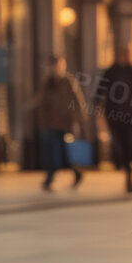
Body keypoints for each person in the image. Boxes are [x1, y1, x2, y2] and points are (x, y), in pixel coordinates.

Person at [95, 45, 132, 194]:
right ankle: (126, 168)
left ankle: (129, 173)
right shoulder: (111, 72)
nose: (126, 57)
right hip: (114, 116)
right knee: (120, 143)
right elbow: (99, 93)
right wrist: (99, 115)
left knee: (131, 143)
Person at [36, 54, 85, 192]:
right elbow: (42, 102)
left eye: (57, 66)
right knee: (52, 151)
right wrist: (42, 120)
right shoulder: (47, 83)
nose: (55, 69)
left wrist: (79, 121)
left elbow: (77, 102)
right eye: (53, 66)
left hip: (65, 123)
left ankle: (76, 172)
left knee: (64, 152)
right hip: (50, 123)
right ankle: (50, 177)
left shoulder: (68, 81)